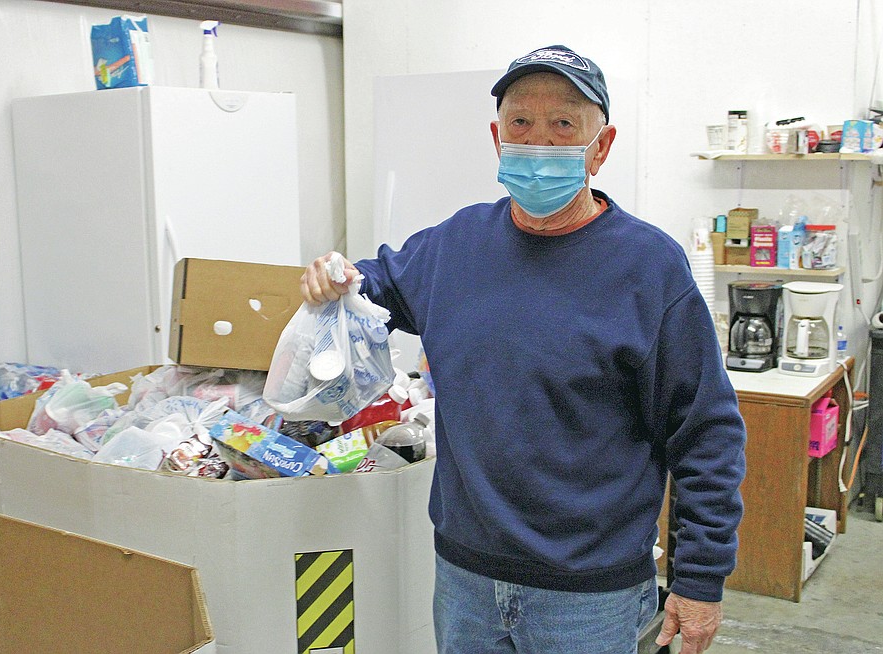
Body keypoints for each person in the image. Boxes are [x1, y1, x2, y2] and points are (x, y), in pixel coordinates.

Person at [301, 45, 746, 654]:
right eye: (520, 123)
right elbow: (378, 283)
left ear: (602, 146)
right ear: (496, 137)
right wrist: (336, 276)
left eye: (564, 124)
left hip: (589, 594)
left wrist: (699, 580)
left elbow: (706, 433)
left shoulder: (649, 268)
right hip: (466, 579)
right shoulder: (455, 244)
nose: (539, 143)